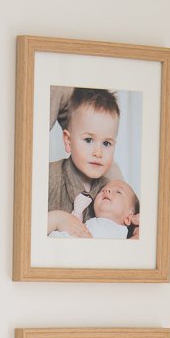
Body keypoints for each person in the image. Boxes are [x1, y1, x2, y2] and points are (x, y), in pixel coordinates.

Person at [46, 89, 126, 236]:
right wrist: (55, 219)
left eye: (106, 143)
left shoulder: (111, 194)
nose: (98, 152)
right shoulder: (48, 178)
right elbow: (24, 226)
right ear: (68, 141)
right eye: (89, 140)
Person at [48, 180, 141, 242]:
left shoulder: (123, 236)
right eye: (102, 190)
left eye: (118, 192)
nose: (107, 190)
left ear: (129, 217)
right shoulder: (90, 222)